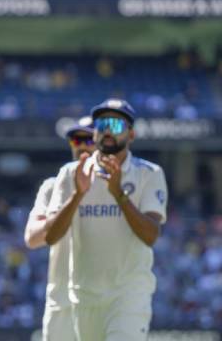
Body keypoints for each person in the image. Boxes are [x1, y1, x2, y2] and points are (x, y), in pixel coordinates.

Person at [45, 99, 168, 341]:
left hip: (129, 294)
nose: (108, 130)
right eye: (102, 124)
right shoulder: (71, 174)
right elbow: (51, 236)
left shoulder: (149, 174)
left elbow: (150, 235)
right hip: (84, 295)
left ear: (131, 134)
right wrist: (77, 194)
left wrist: (119, 194)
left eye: (116, 124)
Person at [24, 116, 95, 341]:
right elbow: (32, 238)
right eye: (76, 139)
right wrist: (69, 203)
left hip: (104, 302)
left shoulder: (118, 187)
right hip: (62, 304)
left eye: (89, 139)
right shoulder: (52, 187)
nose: (82, 145)